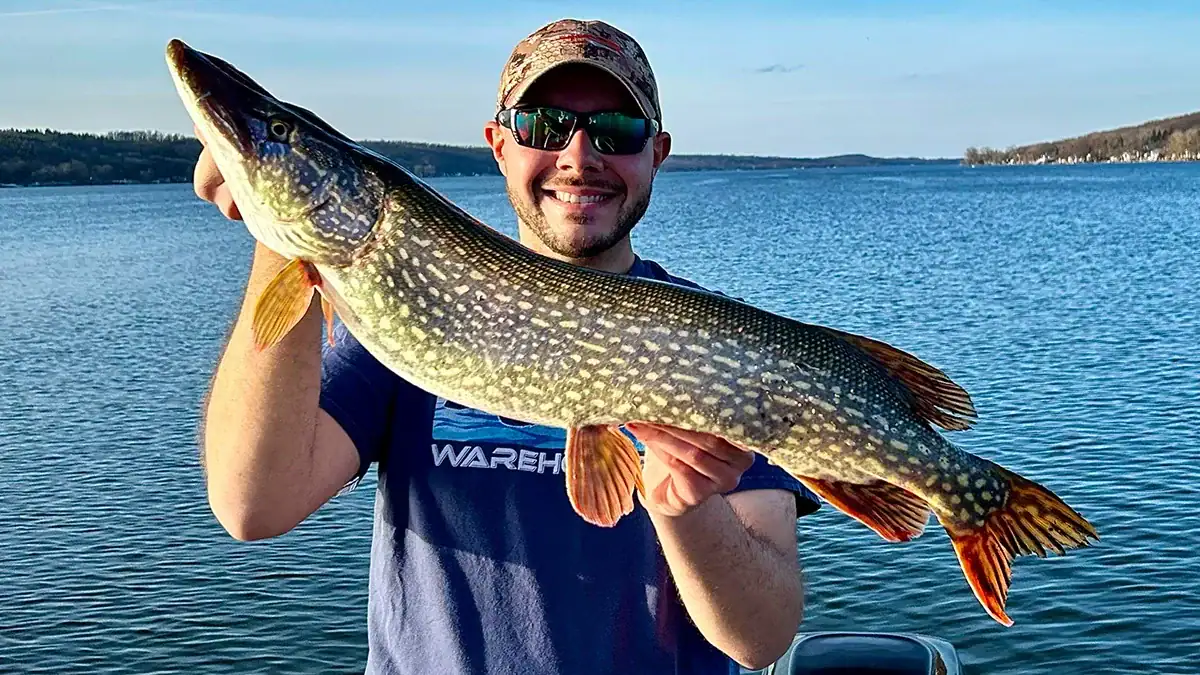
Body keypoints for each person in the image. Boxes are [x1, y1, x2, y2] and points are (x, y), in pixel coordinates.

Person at [196, 17, 821, 675]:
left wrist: (688, 511)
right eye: (544, 126)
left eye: (617, 130)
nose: (579, 156)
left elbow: (762, 638)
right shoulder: (404, 317)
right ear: (499, 144)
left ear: (656, 153)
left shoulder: (717, 345)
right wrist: (278, 234)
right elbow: (252, 504)